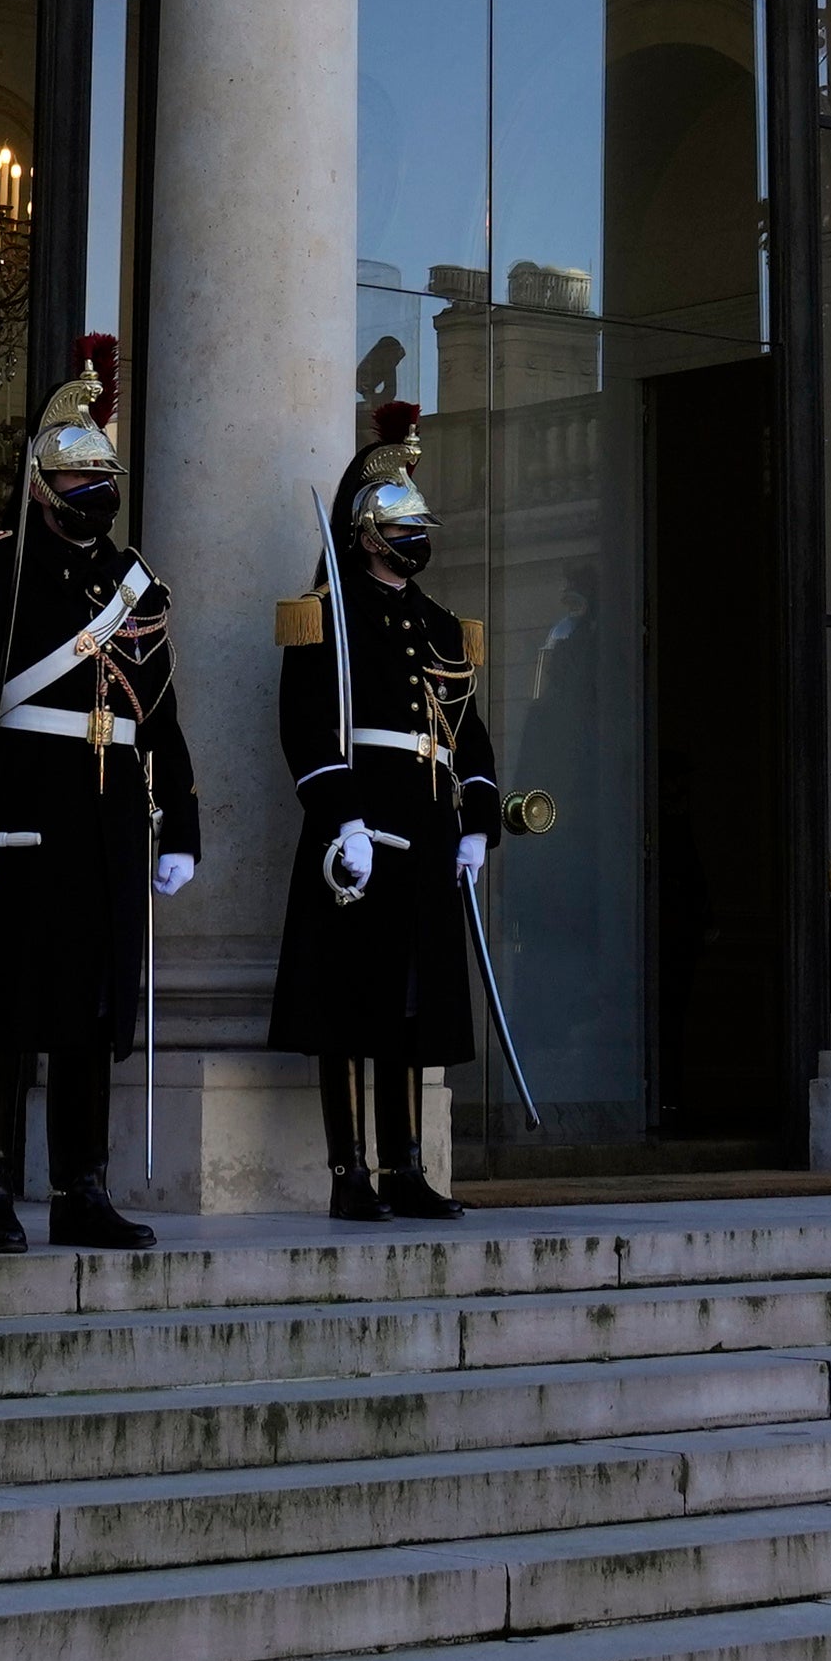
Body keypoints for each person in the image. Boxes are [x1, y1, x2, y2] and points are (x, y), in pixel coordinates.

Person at [0, 346, 195, 1252]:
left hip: (105, 822)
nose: (90, 489)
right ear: (38, 482)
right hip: (17, 818)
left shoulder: (134, 585)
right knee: (2, 1009)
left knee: (91, 1011)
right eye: (73, 474)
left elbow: (162, 715)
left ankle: (82, 1187)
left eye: (100, 474)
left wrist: (180, 821)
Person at [270, 399, 501, 1218]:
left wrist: (477, 821)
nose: (415, 540)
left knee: (412, 1004)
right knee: (348, 1004)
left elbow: (469, 735)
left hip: (431, 829)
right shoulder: (325, 612)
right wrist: (342, 818)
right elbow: (305, 729)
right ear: (366, 534)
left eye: (419, 527)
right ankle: (349, 1175)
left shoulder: (440, 625)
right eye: (401, 527)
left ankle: (405, 1168)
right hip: (361, 830)